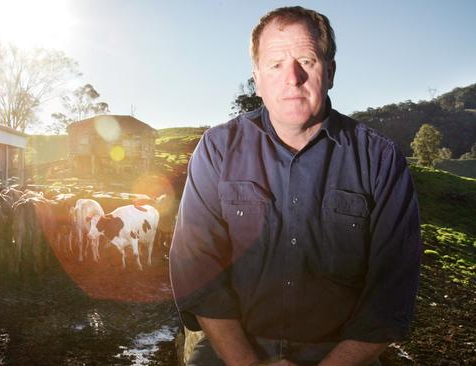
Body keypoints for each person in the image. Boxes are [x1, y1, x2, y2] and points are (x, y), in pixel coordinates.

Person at [169, 6, 421, 366]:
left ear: (330, 71)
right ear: (256, 79)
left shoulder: (381, 159)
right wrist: (247, 363)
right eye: (275, 64)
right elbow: (197, 268)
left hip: (342, 353)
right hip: (234, 347)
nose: (293, 77)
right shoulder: (217, 149)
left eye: (307, 60)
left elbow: (392, 292)